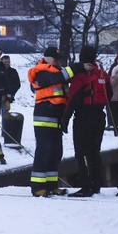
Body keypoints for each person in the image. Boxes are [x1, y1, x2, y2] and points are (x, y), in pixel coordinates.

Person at [28, 47, 78, 196]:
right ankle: (37, 187)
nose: (59, 61)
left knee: (56, 152)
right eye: (56, 58)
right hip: (44, 118)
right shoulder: (40, 72)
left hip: (56, 118)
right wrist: (77, 67)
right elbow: (55, 79)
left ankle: (52, 185)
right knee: (44, 151)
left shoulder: (57, 72)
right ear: (49, 59)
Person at [65, 45, 111, 197]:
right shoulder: (101, 73)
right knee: (95, 152)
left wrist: (65, 119)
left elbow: (73, 98)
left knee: (82, 153)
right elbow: (109, 94)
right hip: (100, 117)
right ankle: (96, 185)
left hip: (84, 118)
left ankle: (86, 187)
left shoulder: (81, 75)